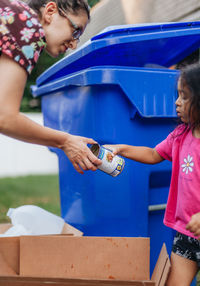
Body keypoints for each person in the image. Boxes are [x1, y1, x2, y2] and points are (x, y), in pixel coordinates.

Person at [105, 63, 200, 286]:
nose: (177, 102)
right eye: (177, 95)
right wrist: (120, 149)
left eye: (184, 97)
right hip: (186, 232)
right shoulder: (180, 135)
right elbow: (153, 154)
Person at [0, 0, 101, 174]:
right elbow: (5, 117)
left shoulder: (11, 16)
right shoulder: (27, 24)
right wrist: (65, 141)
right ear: (50, 11)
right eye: (76, 31)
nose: (74, 45)